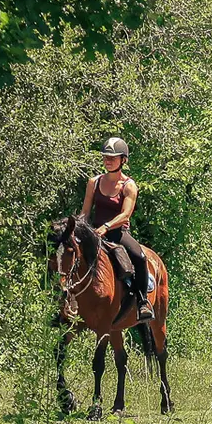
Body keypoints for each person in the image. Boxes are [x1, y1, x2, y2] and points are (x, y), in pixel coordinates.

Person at [79, 136, 152, 322]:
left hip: (118, 233)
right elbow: (85, 212)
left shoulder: (129, 186)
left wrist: (106, 226)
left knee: (140, 257)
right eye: (105, 157)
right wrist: (78, 229)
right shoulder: (93, 182)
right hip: (94, 232)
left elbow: (125, 215)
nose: (108, 161)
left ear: (123, 160)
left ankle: (143, 302)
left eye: (113, 157)